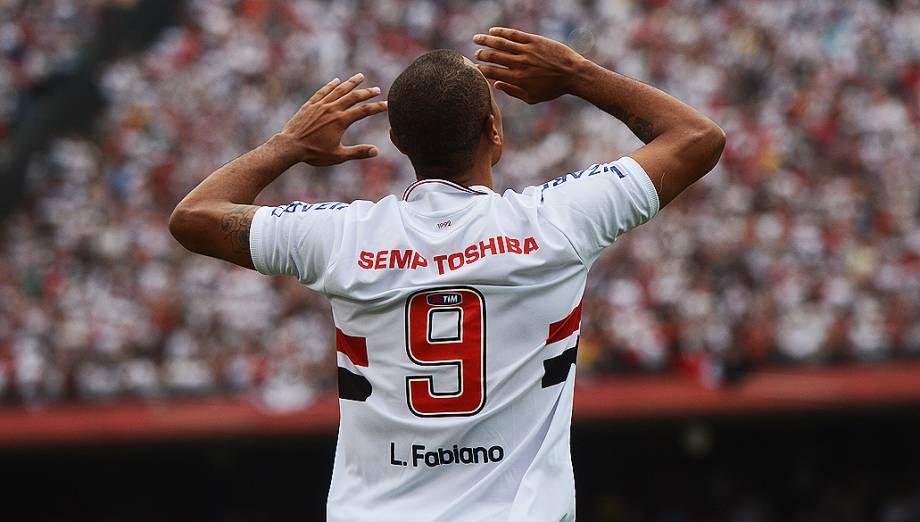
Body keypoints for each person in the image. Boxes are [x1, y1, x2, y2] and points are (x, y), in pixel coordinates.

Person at [169, 27, 724, 522]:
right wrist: (576, 74)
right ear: (494, 131)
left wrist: (287, 145)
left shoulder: (341, 238)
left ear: (398, 143)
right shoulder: (554, 224)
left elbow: (193, 218)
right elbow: (697, 138)